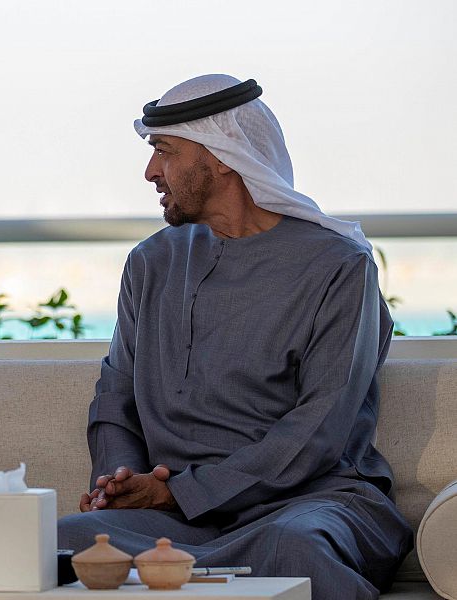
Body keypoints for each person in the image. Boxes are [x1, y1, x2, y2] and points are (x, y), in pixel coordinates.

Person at [57, 75, 412, 599]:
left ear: (222, 156)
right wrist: (120, 483)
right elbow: (116, 397)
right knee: (58, 543)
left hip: (308, 503)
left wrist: (178, 492)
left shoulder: (339, 266)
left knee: (293, 550)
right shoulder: (151, 262)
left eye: (164, 151)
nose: (150, 171)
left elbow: (318, 430)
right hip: (175, 519)